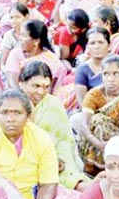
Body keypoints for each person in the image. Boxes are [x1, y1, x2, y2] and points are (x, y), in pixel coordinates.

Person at [18, 62, 87, 191]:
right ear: (21, 83)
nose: (41, 92)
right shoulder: (10, 104)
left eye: (46, 87)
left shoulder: (53, 104)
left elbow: (65, 140)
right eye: (36, 86)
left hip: (56, 159)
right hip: (21, 162)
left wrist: (58, 160)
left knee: (72, 179)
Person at [5, 19, 66, 89]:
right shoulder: (16, 54)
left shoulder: (53, 62)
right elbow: (12, 83)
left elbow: (48, 90)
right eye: (20, 34)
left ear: (36, 41)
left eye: (24, 35)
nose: (20, 38)